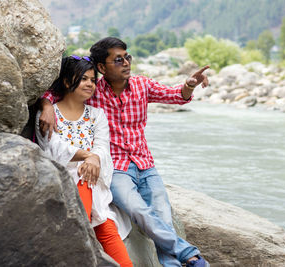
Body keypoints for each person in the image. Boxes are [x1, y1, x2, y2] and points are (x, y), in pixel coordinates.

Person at [39, 37, 210, 267]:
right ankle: (190, 254)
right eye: (118, 60)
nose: (126, 63)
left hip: (145, 164)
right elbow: (58, 92)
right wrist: (46, 105)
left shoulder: (142, 85)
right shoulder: (93, 90)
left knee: (162, 213)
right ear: (102, 67)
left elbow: (176, 96)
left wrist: (189, 85)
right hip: (117, 169)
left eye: (127, 57)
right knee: (139, 210)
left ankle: (176, 264)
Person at [35, 55, 133, 267]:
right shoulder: (50, 114)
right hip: (61, 180)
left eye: (93, 80)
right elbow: (54, 147)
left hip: (92, 181)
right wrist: (87, 156)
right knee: (96, 211)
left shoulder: (97, 115)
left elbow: (102, 147)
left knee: (105, 225)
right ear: (68, 81)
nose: (90, 84)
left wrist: (94, 157)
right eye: (84, 79)